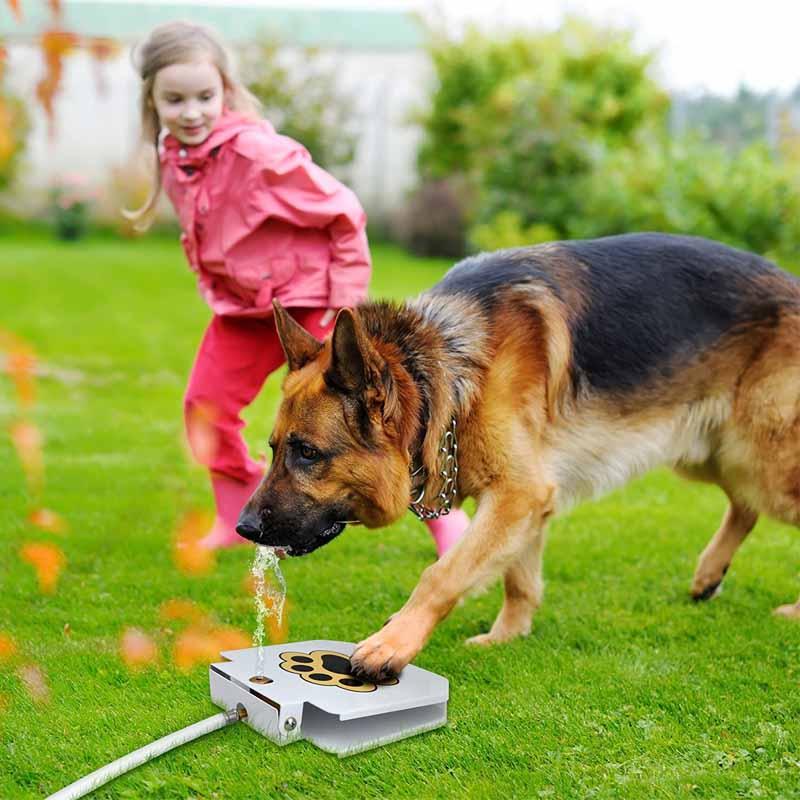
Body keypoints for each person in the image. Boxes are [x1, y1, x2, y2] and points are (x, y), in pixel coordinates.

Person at [127, 20, 469, 555]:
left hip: (308, 304)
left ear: (226, 91)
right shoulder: (175, 159)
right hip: (244, 311)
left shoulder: (260, 156)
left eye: (204, 96)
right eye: (175, 99)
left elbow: (344, 213)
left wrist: (344, 301)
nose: (191, 112)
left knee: (375, 417)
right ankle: (238, 510)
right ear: (151, 100)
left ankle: (443, 517)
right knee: (204, 407)